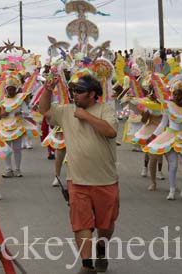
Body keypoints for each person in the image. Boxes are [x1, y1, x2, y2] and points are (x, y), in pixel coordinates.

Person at [39, 74, 119, 274]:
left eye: (80, 91)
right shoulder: (67, 111)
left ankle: (101, 248)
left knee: (106, 225)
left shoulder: (105, 109)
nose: (75, 94)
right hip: (77, 180)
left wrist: (87, 116)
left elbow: (110, 132)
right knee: (80, 224)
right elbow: (44, 110)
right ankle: (87, 265)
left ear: (93, 94)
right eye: (73, 90)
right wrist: (48, 90)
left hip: (105, 180)